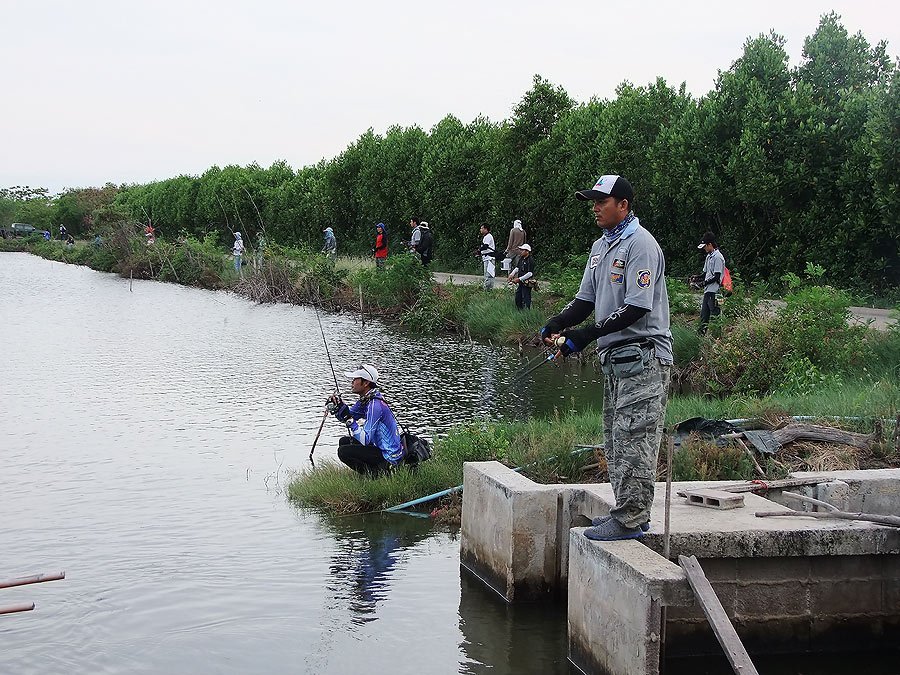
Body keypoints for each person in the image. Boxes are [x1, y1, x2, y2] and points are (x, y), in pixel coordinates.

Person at [541, 174, 672, 542]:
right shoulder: (601, 246)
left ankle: (630, 520)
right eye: (593, 201)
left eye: (602, 201)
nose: (595, 208)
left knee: (636, 438)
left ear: (624, 205)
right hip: (616, 360)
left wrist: (584, 335)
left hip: (644, 357)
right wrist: (560, 321)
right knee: (616, 438)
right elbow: (586, 300)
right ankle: (629, 513)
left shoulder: (640, 245)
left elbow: (636, 308)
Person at [327, 364, 404, 476]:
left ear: (366, 383)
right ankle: (374, 472)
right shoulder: (366, 399)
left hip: (389, 456)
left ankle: (379, 474)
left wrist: (350, 420)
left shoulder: (375, 405)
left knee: (343, 452)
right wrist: (338, 406)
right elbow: (348, 416)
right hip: (379, 449)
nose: (352, 382)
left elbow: (365, 440)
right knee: (344, 442)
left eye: (355, 379)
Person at [693, 231, 725, 334]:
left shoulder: (718, 257)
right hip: (708, 291)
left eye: (705, 246)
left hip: (715, 291)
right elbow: (705, 273)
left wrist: (703, 284)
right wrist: (696, 278)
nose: (704, 249)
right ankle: (700, 337)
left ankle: (718, 338)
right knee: (704, 316)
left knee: (715, 316)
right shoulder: (709, 257)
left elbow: (716, 277)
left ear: (710, 244)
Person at [509, 243, 535, 310]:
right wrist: (512, 274)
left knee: (526, 298)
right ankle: (519, 310)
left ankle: (527, 312)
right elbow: (517, 268)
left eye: (522, 250)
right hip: (521, 282)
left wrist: (519, 279)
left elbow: (530, 273)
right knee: (518, 297)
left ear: (527, 251)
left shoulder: (530, 260)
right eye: (521, 250)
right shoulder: (521, 258)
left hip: (527, 283)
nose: (521, 251)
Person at [476, 224, 496, 290]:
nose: (480, 230)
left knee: (489, 275)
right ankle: (488, 289)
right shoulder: (486, 237)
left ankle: (488, 289)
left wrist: (478, 250)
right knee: (487, 274)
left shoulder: (488, 236)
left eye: (482, 228)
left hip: (489, 258)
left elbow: (485, 246)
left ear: (486, 229)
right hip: (486, 258)